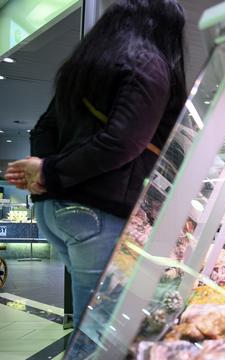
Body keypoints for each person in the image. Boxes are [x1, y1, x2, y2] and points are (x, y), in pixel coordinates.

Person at [5, 0, 186, 328]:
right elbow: (123, 142)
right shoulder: (149, 62)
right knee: (102, 328)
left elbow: (44, 128)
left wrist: (43, 174)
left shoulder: (86, 63)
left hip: (58, 212)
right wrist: (48, 172)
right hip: (96, 214)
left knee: (93, 321)